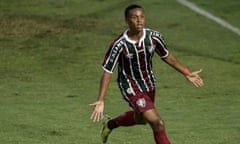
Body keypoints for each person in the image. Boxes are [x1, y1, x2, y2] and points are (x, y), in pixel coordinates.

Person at [89, 4, 204, 144]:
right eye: (134, 17)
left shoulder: (154, 37)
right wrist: (101, 99)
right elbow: (107, 72)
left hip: (149, 84)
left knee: (141, 120)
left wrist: (186, 72)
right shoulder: (119, 45)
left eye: (142, 17)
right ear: (126, 20)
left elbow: (167, 56)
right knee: (158, 123)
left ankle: (110, 124)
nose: (139, 21)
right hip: (130, 86)